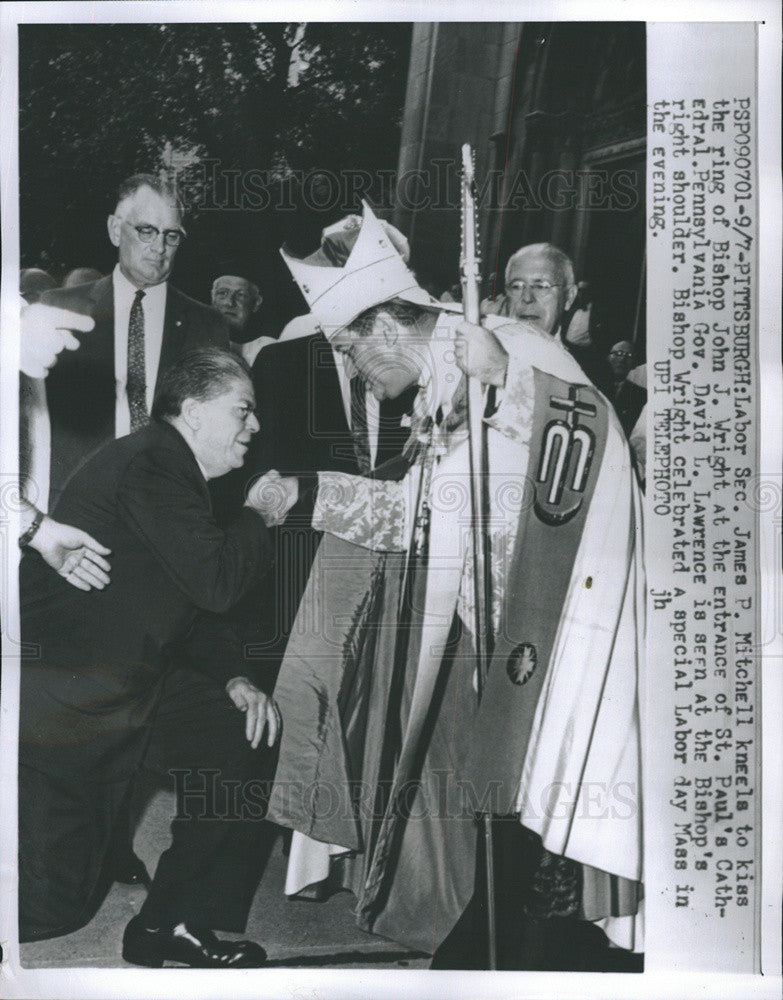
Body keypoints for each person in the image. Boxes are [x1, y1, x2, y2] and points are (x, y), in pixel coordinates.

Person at [262, 207, 645, 969]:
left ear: (386, 329)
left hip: (565, 636)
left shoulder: (513, 347)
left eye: (350, 347)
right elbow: (413, 516)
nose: (355, 368)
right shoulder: (433, 400)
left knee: (547, 834)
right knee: (503, 830)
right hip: (496, 648)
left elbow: (592, 433)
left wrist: (506, 385)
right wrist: (304, 494)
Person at [19, 348, 279, 967]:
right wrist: (258, 515)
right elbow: (216, 581)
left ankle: (170, 925)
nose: (256, 426)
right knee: (53, 909)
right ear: (192, 412)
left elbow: (186, 604)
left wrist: (235, 675)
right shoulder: (155, 464)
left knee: (237, 731)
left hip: (127, 684)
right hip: (65, 706)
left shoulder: (171, 467)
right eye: (243, 409)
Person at [34, 172, 230, 511]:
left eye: (171, 235)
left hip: (168, 517)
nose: (159, 247)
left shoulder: (208, 326)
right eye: (146, 231)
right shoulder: (57, 308)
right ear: (115, 229)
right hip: (73, 515)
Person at [210, 272, 273, 366]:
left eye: (240, 295)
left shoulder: (266, 348)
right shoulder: (194, 338)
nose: (229, 303)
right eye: (222, 293)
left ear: (256, 303)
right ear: (213, 298)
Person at [605, 340, 647, 436]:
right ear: (608, 357)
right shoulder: (593, 386)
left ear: (634, 363)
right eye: (618, 353)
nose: (622, 359)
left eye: (629, 355)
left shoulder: (641, 396)